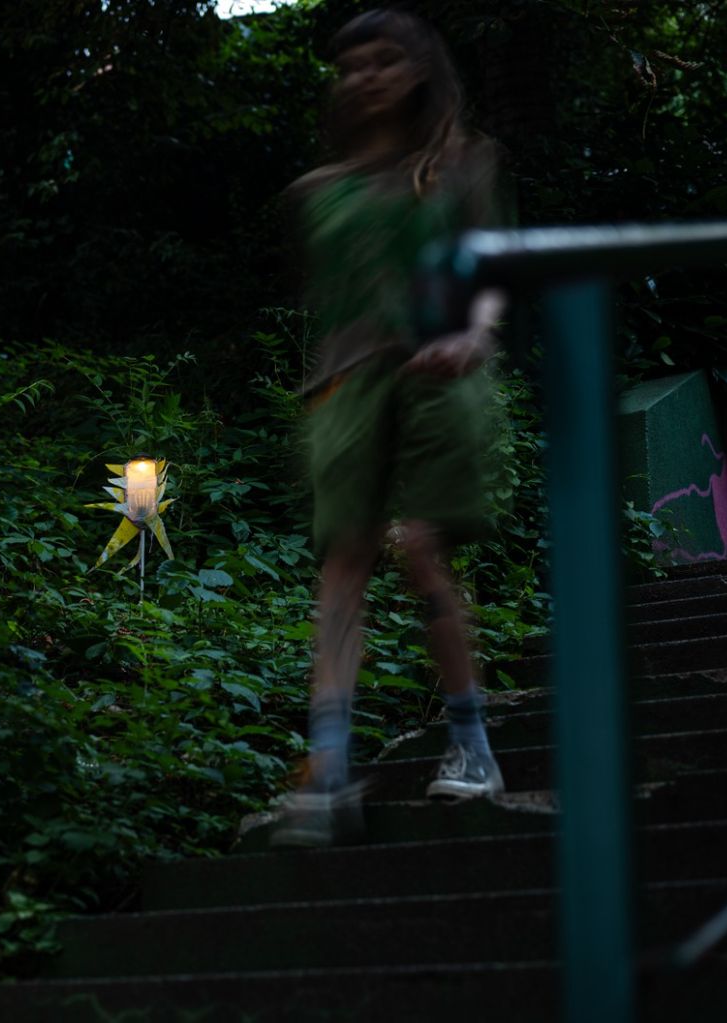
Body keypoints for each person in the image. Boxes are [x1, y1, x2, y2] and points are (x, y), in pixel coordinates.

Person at [272, 7, 510, 847]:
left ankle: (473, 743)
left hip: (435, 370)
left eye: (383, 60)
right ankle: (328, 770)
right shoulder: (320, 190)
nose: (365, 76)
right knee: (342, 563)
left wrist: (475, 334)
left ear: (417, 71)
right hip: (344, 387)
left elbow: (489, 269)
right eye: (352, 65)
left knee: (419, 546)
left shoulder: (460, 164)